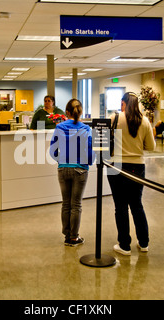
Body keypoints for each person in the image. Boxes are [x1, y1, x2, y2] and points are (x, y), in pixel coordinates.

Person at [106, 92, 156, 255]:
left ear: (123, 103)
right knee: (137, 205)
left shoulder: (115, 118)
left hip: (116, 165)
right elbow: (151, 147)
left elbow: (104, 141)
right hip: (137, 166)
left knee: (120, 206)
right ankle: (144, 242)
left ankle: (124, 245)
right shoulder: (145, 120)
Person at [49, 99, 95, 246]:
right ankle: (74, 237)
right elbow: (90, 151)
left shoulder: (59, 127)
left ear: (66, 112)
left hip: (63, 169)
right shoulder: (86, 129)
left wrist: (61, 160)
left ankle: (67, 235)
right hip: (80, 169)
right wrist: (87, 162)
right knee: (76, 204)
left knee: (66, 204)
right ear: (80, 112)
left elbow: (52, 150)